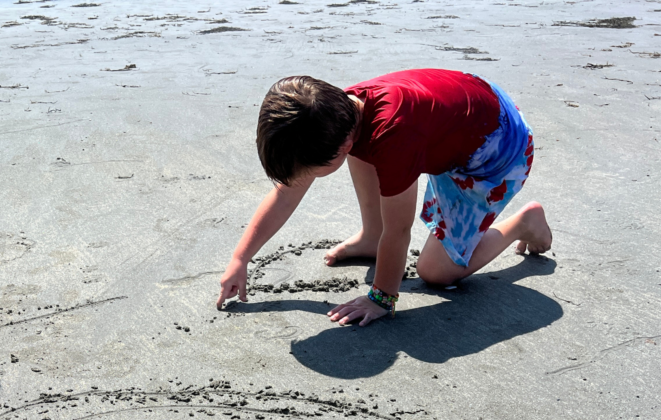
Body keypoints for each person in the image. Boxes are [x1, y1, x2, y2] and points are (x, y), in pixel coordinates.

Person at [216, 69, 552, 326]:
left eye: (310, 171)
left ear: (340, 148)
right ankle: (368, 236)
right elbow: (286, 194)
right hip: (468, 114)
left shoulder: (393, 139)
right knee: (366, 148)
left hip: (497, 152)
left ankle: (524, 223)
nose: (302, 181)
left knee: (436, 271)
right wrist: (240, 258)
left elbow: (400, 230)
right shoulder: (339, 110)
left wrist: (382, 297)